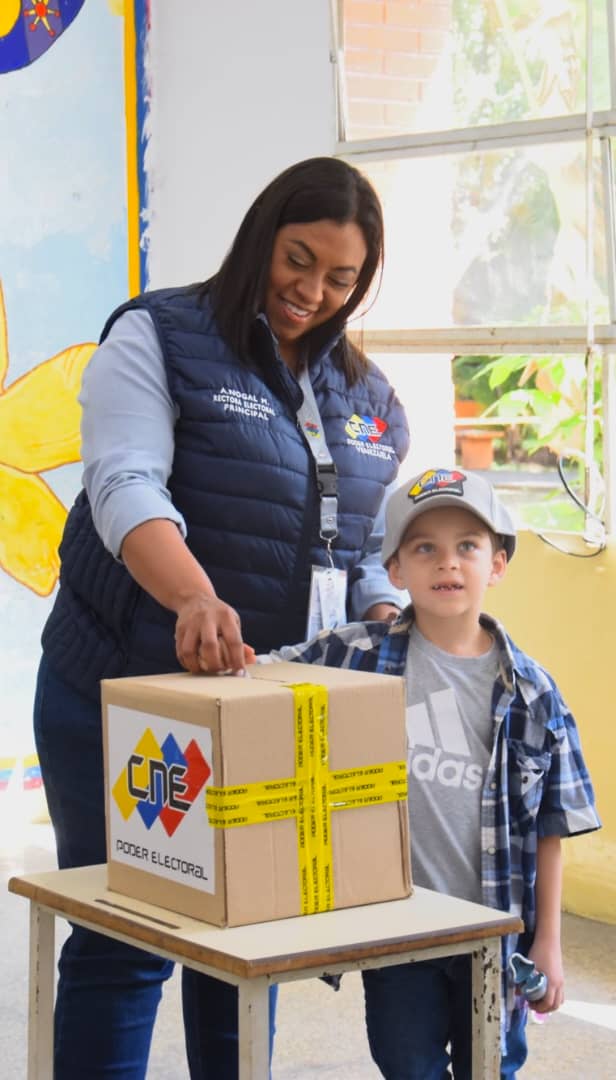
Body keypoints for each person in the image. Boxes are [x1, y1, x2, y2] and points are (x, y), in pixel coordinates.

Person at [33, 156, 410, 1079]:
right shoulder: (160, 334)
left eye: (341, 278)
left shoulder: (368, 399)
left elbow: (359, 546)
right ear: (260, 237)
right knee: (128, 939)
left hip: (258, 711)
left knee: (247, 940)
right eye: (298, 259)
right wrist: (193, 594)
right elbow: (124, 481)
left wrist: (389, 610)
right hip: (121, 694)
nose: (312, 292)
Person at [255, 466, 601, 1079]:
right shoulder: (356, 657)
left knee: (489, 1065)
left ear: (497, 564)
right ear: (394, 570)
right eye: (424, 549)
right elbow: (266, 673)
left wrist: (548, 940)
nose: (448, 563)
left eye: (467, 546)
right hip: (400, 928)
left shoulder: (533, 693)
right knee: (403, 1061)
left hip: (493, 929)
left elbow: (553, 825)